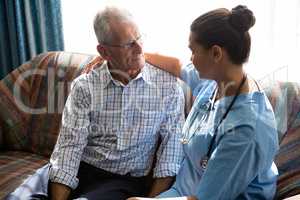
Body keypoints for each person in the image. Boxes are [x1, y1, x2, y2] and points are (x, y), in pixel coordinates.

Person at [7, 6, 185, 200]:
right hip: (78, 167)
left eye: (139, 38)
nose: (140, 49)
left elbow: (171, 154)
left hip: (122, 180)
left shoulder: (167, 86)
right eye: (128, 44)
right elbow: (69, 148)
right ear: (104, 51)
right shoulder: (85, 86)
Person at [128, 5, 279, 200]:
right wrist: (131, 56)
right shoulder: (217, 80)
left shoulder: (244, 130)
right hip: (184, 191)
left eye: (193, 50)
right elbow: (177, 65)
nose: (191, 58)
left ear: (216, 53)